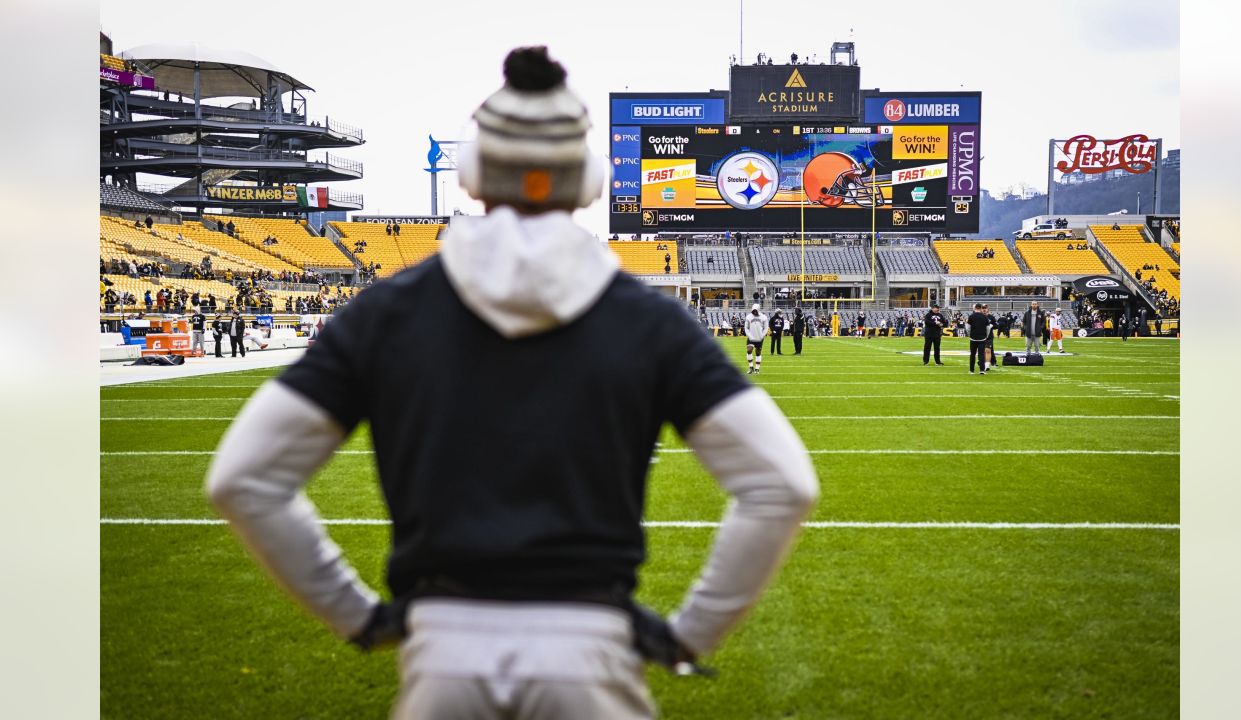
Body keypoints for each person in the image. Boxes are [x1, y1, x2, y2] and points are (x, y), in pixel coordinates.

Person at [205, 47, 816, 720]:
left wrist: (360, 617)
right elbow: (782, 483)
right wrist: (689, 635)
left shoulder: (388, 313)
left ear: (469, 174)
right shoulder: (650, 322)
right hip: (592, 651)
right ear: (587, 180)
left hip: (443, 654)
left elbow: (244, 477)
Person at [966, 302, 993, 375]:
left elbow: (968, 328)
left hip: (973, 338)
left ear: (975, 308)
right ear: (981, 308)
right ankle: (982, 370)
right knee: (981, 354)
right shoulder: (984, 317)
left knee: (972, 354)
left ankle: (971, 370)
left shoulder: (971, 316)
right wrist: (986, 336)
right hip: (982, 338)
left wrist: (970, 335)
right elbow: (988, 328)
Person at [744, 303, 768, 374]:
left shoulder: (764, 317)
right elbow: (746, 328)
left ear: (758, 310)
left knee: (758, 353)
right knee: (749, 350)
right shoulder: (748, 317)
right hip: (751, 337)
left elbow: (766, 328)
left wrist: (762, 335)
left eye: (755, 310)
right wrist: (749, 335)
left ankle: (757, 368)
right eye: (753, 310)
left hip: (759, 338)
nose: (754, 311)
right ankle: (751, 367)